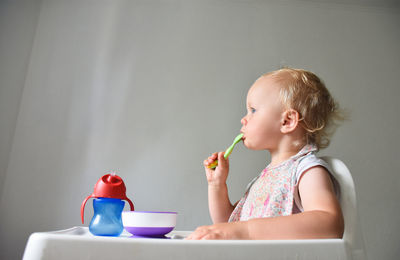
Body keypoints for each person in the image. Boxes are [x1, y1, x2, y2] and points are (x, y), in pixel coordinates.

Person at [186, 68, 345, 240]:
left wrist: (246, 231)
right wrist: (217, 185)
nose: (243, 119)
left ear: (287, 121)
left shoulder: (307, 170)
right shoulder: (267, 178)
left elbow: (329, 222)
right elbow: (229, 226)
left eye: (253, 110)